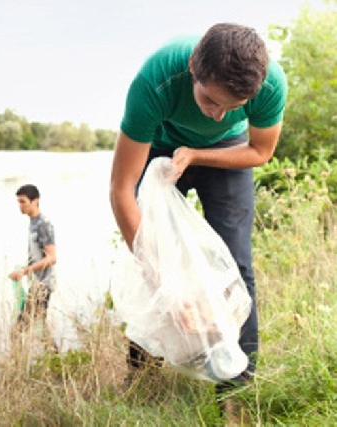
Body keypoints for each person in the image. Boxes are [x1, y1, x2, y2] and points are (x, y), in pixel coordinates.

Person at [109, 22, 287, 417]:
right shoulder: (156, 80)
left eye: (231, 106)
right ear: (193, 66)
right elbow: (121, 191)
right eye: (209, 99)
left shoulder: (269, 85)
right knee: (150, 255)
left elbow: (260, 151)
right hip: (159, 141)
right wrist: (166, 285)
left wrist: (196, 154)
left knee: (238, 265)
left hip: (228, 151)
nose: (217, 112)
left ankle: (234, 393)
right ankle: (141, 378)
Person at [8, 184, 57, 340]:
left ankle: (16, 363)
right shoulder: (33, 222)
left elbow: (51, 258)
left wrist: (25, 271)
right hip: (37, 283)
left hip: (43, 285)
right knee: (41, 328)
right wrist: (23, 269)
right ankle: (54, 360)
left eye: (23, 202)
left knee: (17, 331)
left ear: (35, 201)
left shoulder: (43, 224)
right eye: (18, 202)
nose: (20, 206)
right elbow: (38, 257)